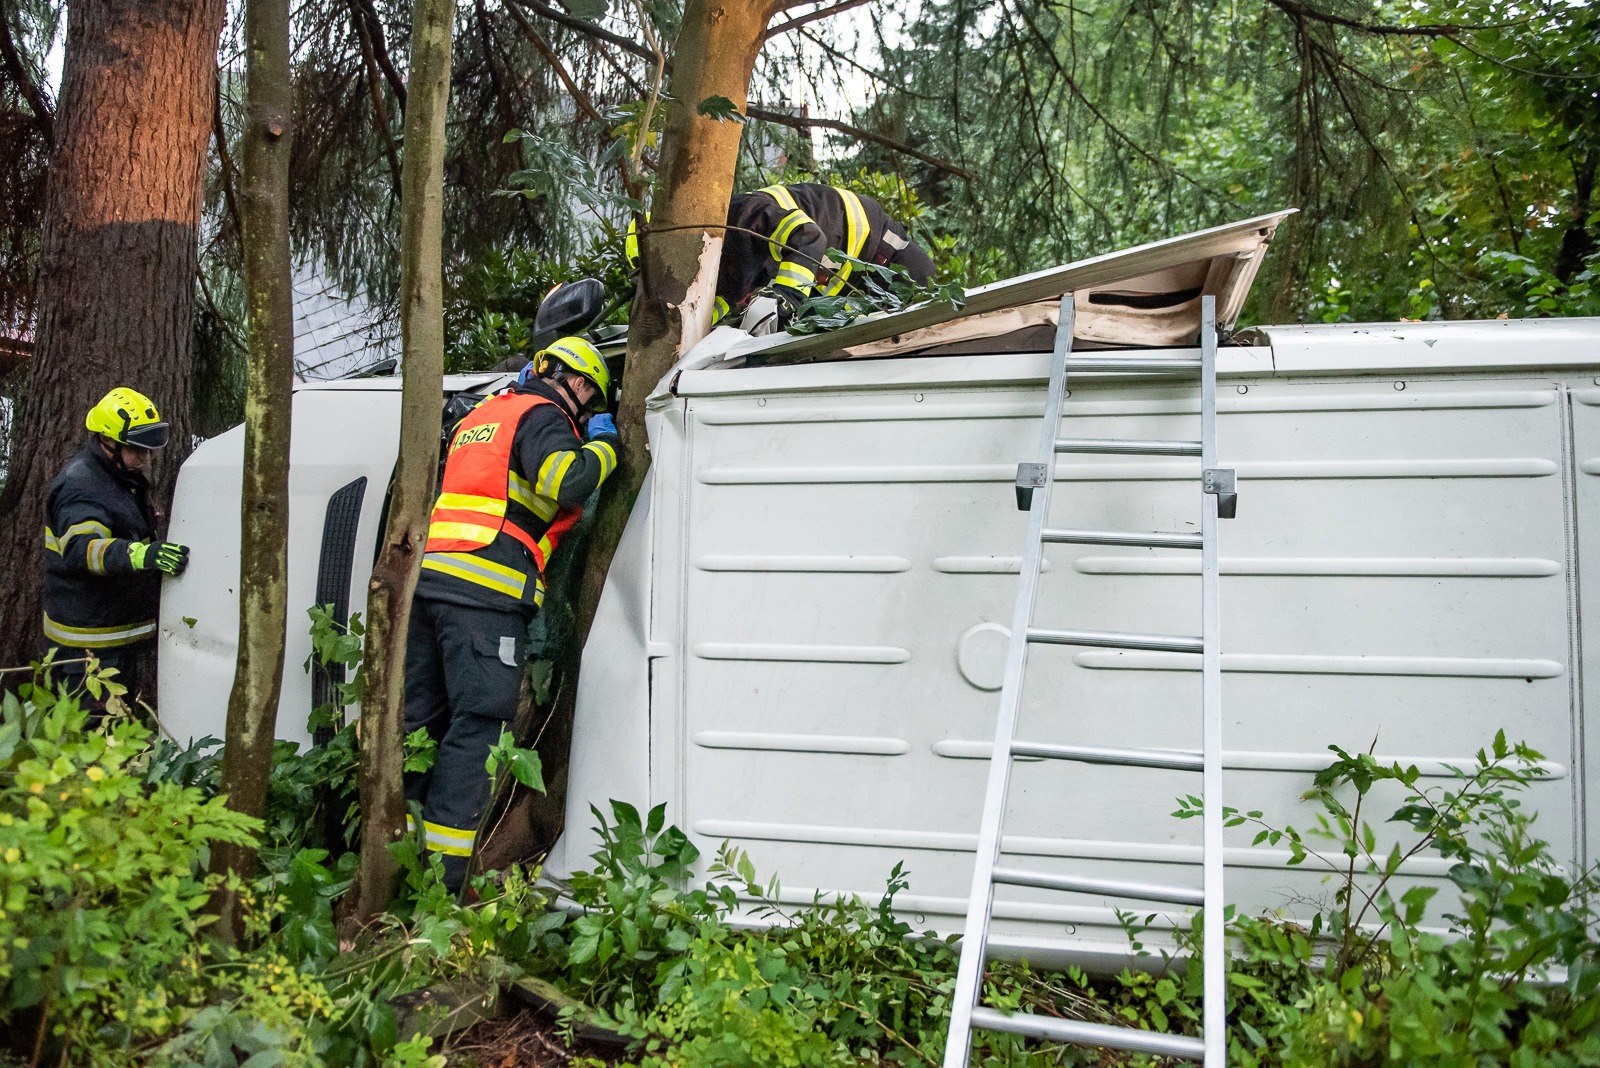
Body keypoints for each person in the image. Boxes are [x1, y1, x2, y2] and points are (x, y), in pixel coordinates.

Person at [403, 336, 620, 890]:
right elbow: (564, 481)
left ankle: (399, 860)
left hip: (427, 589)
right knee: (477, 729)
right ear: (564, 377)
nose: (586, 406)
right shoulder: (542, 415)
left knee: (420, 725)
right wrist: (603, 449)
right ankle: (443, 885)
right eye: (587, 393)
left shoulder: (483, 415)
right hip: (484, 594)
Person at [625, 183, 937, 335]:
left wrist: (786, 296)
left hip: (878, 244)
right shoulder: (714, 277)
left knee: (925, 303)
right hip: (842, 286)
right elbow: (721, 310)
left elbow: (809, 238)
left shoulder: (740, 218)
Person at [42, 387, 189, 709]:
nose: (145, 459)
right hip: (87, 652)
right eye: (137, 450)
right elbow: (84, 549)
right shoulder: (81, 486)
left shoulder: (117, 476)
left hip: (114, 638)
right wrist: (142, 555)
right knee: (92, 742)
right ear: (108, 442)